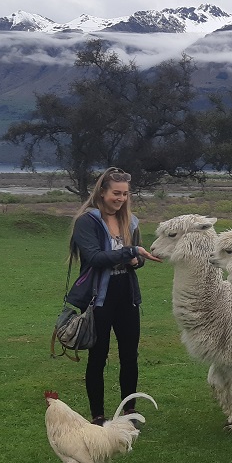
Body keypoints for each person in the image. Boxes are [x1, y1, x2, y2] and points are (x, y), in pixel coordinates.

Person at [65, 167, 163, 425]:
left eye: (125, 194)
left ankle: (129, 411)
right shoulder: (87, 221)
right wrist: (130, 251)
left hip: (127, 296)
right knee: (98, 357)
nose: (120, 199)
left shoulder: (131, 221)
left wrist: (135, 260)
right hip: (99, 299)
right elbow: (95, 258)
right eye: (115, 193)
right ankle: (98, 416)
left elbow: (137, 260)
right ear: (102, 192)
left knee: (130, 356)